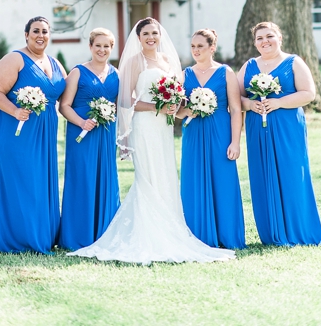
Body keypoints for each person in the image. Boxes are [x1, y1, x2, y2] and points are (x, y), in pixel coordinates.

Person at [69, 18, 234, 264]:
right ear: (138, 37)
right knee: (147, 177)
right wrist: (158, 107)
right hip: (145, 126)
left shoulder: (168, 61)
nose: (151, 37)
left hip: (164, 128)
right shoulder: (135, 62)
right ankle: (148, 234)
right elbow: (125, 100)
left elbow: (177, 97)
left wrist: (185, 107)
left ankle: (170, 230)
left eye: (154, 33)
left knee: (165, 176)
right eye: (145, 33)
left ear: (160, 35)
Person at [0, 17, 66, 254]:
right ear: (26, 35)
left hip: (46, 132)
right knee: (22, 180)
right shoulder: (15, 59)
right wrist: (16, 110)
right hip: (17, 130)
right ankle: (19, 238)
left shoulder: (56, 63)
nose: (40, 35)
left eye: (45, 31)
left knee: (41, 181)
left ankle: (43, 236)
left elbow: (67, 97)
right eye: (35, 31)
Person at [239, 22, 321, 246]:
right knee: (262, 174)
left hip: (288, 127)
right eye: (259, 38)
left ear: (279, 37)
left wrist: (279, 103)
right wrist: (249, 104)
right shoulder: (249, 66)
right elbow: (235, 97)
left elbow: (309, 93)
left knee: (292, 173)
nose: (265, 41)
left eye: (269, 36)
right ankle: (271, 232)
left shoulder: (293, 62)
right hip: (257, 128)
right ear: (254, 42)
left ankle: (299, 230)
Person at [178, 28, 246, 249]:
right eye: (193, 46)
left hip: (220, 133)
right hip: (194, 134)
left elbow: (236, 109)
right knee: (193, 181)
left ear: (212, 48)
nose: (196, 50)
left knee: (223, 182)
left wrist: (235, 142)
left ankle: (227, 236)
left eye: (201, 46)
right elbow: (177, 111)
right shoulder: (184, 74)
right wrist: (187, 111)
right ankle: (198, 235)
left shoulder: (225, 72)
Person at [58, 28, 121, 250]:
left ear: (111, 48)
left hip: (106, 134)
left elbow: (123, 104)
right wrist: (81, 122)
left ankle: (105, 233)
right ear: (90, 47)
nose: (102, 50)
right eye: (98, 45)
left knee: (105, 178)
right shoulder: (77, 72)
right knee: (83, 179)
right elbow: (64, 106)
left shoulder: (117, 74)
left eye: (107, 46)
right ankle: (79, 235)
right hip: (81, 135)